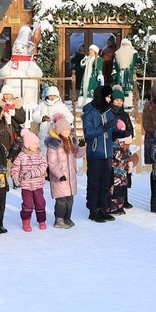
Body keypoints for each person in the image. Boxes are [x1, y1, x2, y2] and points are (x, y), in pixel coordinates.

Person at [82, 85, 120, 223]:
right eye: (108, 96)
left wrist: (121, 132)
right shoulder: (90, 113)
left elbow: (111, 132)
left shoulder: (109, 112)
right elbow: (88, 134)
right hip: (95, 153)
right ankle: (93, 210)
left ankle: (103, 209)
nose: (110, 99)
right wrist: (103, 128)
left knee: (106, 183)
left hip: (107, 153)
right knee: (94, 184)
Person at [10, 128, 49, 231]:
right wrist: (15, 177)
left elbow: (43, 166)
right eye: (33, 144)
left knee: (40, 203)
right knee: (27, 204)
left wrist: (32, 173)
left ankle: (42, 221)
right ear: (27, 145)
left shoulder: (40, 155)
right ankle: (26, 221)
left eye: (36, 144)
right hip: (26, 186)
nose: (35, 146)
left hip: (38, 184)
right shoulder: (21, 156)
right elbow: (15, 167)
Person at [46, 117, 78, 228]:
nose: (68, 132)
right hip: (60, 177)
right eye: (65, 130)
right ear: (59, 131)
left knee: (70, 198)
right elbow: (52, 163)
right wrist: (60, 174)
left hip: (70, 177)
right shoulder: (54, 144)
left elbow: (77, 154)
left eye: (69, 130)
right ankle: (59, 220)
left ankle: (67, 218)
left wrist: (81, 147)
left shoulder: (70, 141)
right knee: (61, 199)